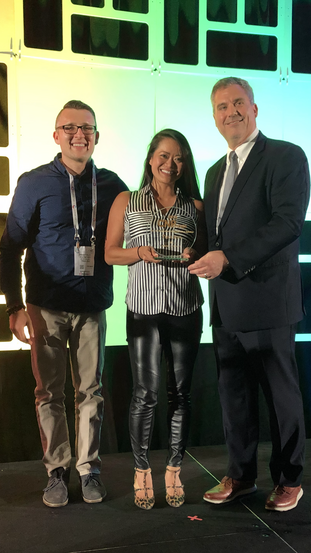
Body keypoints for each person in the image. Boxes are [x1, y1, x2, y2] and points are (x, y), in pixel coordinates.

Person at [188, 77, 310, 512]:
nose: (231, 112)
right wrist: (198, 251)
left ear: (255, 109)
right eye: (221, 107)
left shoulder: (286, 156)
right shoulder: (215, 171)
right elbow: (217, 233)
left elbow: (287, 223)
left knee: (281, 397)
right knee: (233, 397)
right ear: (215, 117)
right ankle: (240, 476)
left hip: (268, 300)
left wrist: (228, 260)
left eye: (238, 103)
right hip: (226, 302)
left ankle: (289, 478)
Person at [0, 100, 128, 508]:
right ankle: (57, 470)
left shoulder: (113, 186)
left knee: (91, 390)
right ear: (56, 136)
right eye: (70, 128)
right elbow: (8, 250)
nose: (79, 134)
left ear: (97, 136)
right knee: (48, 393)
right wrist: (13, 307)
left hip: (92, 306)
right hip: (46, 307)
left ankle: (88, 469)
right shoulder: (33, 183)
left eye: (87, 128)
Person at [105, 129, 205, 509]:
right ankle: (142, 470)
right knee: (145, 395)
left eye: (178, 158)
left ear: (184, 164)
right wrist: (139, 252)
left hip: (185, 308)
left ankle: (174, 471)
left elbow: (208, 255)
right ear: (150, 158)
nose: (170, 164)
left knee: (181, 394)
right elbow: (111, 254)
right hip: (143, 309)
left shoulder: (195, 208)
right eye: (163, 155)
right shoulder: (126, 201)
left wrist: (194, 253)